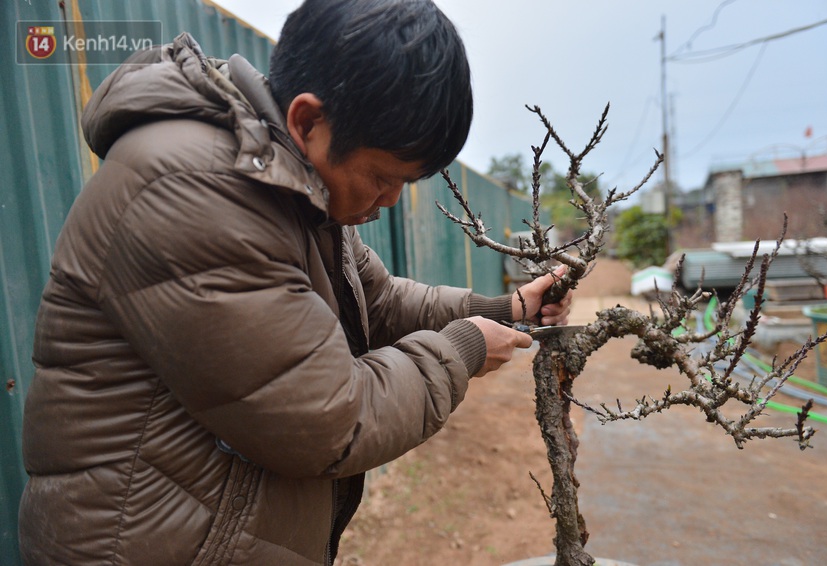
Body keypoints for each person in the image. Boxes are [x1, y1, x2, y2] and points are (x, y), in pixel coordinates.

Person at [18, 1, 572, 564]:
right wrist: (465, 347)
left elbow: (376, 302)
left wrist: (505, 308)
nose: (388, 202)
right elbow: (327, 422)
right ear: (307, 122)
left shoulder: (289, 183)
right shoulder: (193, 190)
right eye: (383, 177)